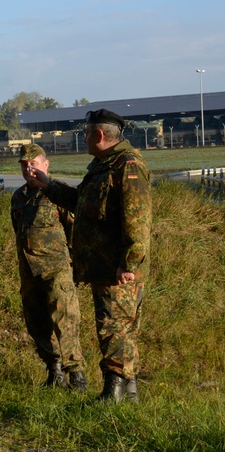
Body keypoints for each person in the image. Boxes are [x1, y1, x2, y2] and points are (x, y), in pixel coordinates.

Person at [25, 109, 152, 402]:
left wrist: (129, 263)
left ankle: (113, 391)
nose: (82, 139)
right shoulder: (102, 166)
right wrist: (48, 185)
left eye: (85, 134)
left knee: (114, 326)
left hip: (117, 267)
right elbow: (81, 202)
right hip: (104, 265)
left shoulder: (127, 165)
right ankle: (128, 391)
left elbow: (138, 220)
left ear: (99, 135)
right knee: (118, 326)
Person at [10, 144, 86, 390]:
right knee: (36, 323)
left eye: (33, 164)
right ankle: (54, 373)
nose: (28, 169)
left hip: (56, 270)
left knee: (66, 322)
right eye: (24, 165)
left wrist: (76, 266)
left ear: (45, 164)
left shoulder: (57, 193)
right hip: (29, 271)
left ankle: (77, 375)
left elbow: (74, 230)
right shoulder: (18, 197)